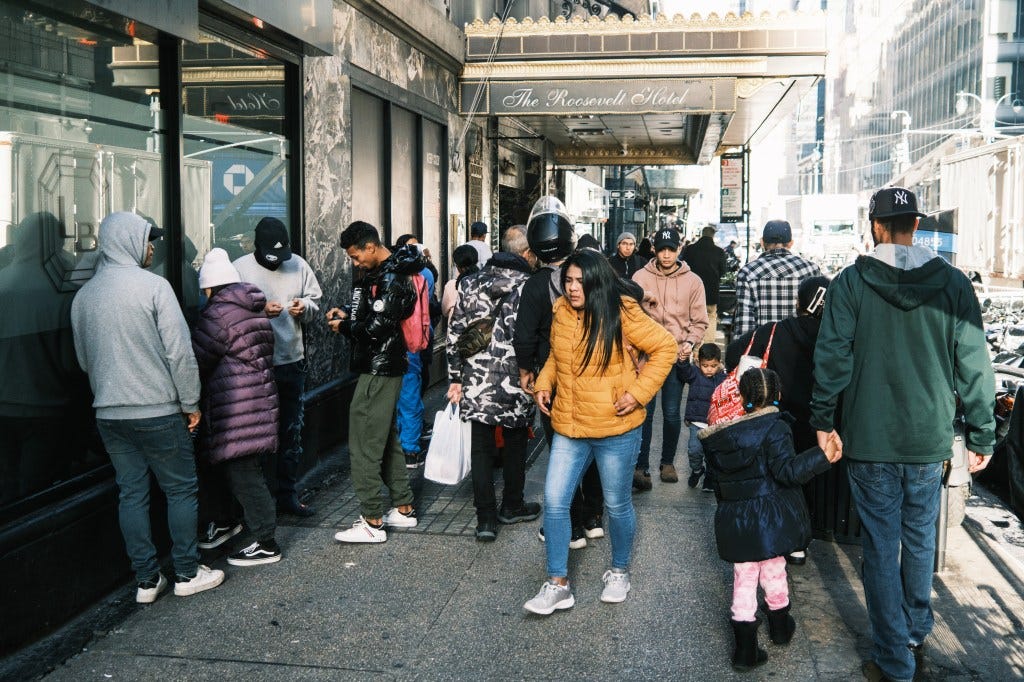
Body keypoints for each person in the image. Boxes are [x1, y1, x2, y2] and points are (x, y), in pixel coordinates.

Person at [810, 186, 995, 682]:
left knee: (879, 546)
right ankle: (915, 634)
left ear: (876, 227)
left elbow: (832, 358)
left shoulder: (851, 282)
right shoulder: (953, 284)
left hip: (869, 439)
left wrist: (823, 421)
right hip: (927, 440)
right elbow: (975, 363)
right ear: (915, 226)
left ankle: (892, 658)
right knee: (918, 542)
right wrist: (982, 433)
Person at [70, 212, 224, 602]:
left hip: (109, 413)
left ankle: (145, 581)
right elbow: (180, 354)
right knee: (180, 490)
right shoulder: (154, 287)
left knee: (131, 493)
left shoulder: (84, 296)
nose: (152, 246)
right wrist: (190, 403)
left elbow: (84, 361)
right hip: (158, 408)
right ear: (127, 242)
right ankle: (187, 573)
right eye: (146, 239)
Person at [523, 249, 676, 615]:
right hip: (570, 427)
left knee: (617, 504)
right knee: (556, 503)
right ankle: (558, 583)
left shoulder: (621, 310)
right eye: (569, 281)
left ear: (597, 281)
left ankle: (619, 571)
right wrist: (545, 381)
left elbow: (665, 348)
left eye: (580, 281)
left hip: (615, 428)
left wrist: (638, 394)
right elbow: (557, 358)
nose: (573, 289)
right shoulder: (561, 310)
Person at [700, 368, 840, 672]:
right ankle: (780, 627)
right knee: (775, 571)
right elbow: (787, 472)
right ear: (778, 395)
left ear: (745, 397)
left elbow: (718, 483)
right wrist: (821, 457)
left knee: (744, 579)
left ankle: (744, 651)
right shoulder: (776, 428)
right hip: (770, 518)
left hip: (736, 520)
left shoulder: (722, 435)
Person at [326, 221, 420, 543]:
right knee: (385, 438)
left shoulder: (391, 276)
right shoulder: (390, 271)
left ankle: (372, 520)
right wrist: (348, 317)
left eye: (355, 257)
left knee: (364, 439)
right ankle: (403, 507)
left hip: (380, 367)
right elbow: (375, 318)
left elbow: (377, 328)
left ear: (370, 246)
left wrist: (346, 328)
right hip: (383, 365)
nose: (355, 263)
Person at [727, 276, 831, 563]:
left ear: (798, 302)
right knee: (806, 479)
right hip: (818, 424)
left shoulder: (775, 331)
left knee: (777, 479)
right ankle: (799, 542)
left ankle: (775, 538)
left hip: (775, 421)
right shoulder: (837, 336)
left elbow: (735, 354)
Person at [446, 226, 540, 541]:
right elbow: (535, 337)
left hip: (475, 380)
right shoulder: (531, 286)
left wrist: (455, 377)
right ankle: (512, 505)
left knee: (482, 448)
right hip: (517, 379)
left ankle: (485, 519)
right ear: (527, 254)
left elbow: (455, 332)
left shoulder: (470, 282)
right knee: (515, 443)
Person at [191, 248, 282, 566]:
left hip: (236, 406)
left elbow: (198, 358)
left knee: (243, 472)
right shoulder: (252, 306)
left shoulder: (218, 314)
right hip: (257, 400)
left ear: (209, 287)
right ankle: (229, 522)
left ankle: (267, 541)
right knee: (236, 467)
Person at [515, 197, 595, 548]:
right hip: (593, 376)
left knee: (562, 450)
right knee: (594, 445)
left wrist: (525, 371)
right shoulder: (589, 276)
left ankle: (571, 526)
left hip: (554, 379)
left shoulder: (534, 286)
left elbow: (524, 336)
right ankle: (593, 518)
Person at [234, 217, 322, 517]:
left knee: (290, 432)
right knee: (255, 436)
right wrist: (258, 310)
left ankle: (287, 495)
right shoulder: (240, 268)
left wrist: (304, 308)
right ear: (257, 247)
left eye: (281, 256)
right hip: (254, 366)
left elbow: (315, 302)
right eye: (271, 256)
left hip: (290, 361)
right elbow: (226, 314)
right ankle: (259, 504)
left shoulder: (297, 264)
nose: (277, 263)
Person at [631, 227, 709, 488]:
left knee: (672, 412)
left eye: (671, 249)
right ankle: (641, 467)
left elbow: (700, 321)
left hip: (677, 357)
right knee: (645, 411)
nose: (666, 255)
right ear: (654, 249)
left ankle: (667, 462)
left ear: (679, 249)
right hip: (647, 356)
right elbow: (630, 316)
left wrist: (689, 343)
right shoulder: (640, 277)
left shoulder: (693, 281)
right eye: (662, 249)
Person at [732, 220, 821, 338]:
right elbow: (818, 317)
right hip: (803, 350)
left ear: (762, 242)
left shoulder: (748, 272)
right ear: (790, 243)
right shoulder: (811, 270)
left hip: (763, 351)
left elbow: (744, 326)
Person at [391, 235, 435, 469]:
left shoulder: (391, 278)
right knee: (411, 395)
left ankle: (405, 445)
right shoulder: (423, 276)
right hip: (415, 344)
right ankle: (410, 448)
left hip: (397, 347)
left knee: (404, 397)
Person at [678, 342, 727, 489]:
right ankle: (697, 470)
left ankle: (710, 478)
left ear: (719, 363)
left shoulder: (723, 378)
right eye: (705, 366)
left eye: (713, 366)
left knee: (712, 453)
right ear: (699, 363)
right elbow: (683, 371)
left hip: (715, 424)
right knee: (694, 450)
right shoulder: (695, 373)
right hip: (697, 422)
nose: (709, 370)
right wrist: (683, 360)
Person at [683, 226, 729, 344]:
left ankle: (693, 345)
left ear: (702, 234)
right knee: (710, 316)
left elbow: (683, 267)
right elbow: (723, 270)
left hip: (690, 291)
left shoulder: (690, 249)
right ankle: (707, 346)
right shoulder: (719, 251)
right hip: (711, 292)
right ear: (713, 236)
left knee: (691, 318)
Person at [441, 244, 480, 321]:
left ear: (458, 266)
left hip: (456, 329)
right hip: (479, 330)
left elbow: (444, 311)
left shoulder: (451, 285)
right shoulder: (485, 282)